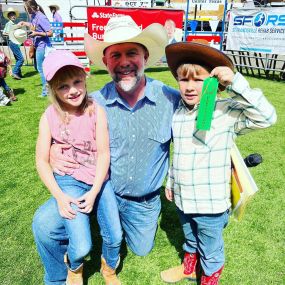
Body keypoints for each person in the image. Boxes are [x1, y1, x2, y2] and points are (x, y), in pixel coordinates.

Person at [32, 15, 180, 285]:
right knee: (44, 225)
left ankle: (105, 240)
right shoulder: (92, 104)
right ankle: (59, 275)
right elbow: (60, 128)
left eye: (131, 52)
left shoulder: (170, 99)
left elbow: (205, 122)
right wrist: (52, 153)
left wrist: (218, 82)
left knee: (141, 248)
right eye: (115, 55)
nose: (124, 62)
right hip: (96, 187)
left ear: (145, 57)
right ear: (106, 62)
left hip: (142, 202)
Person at [160, 42, 277, 285]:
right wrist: (171, 181)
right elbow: (178, 151)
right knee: (190, 237)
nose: (190, 87)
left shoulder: (225, 112)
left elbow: (267, 117)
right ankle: (189, 268)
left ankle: (209, 278)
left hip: (210, 204)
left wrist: (235, 82)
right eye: (183, 80)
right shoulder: (179, 113)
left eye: (198, 80)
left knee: (210, 248)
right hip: (183, 198)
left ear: (213, 82)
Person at [36, 49, 110, 285]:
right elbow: (41, 160)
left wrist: (96, 188)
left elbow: (103, 152)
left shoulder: (95, 109)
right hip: (70, 182)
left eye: (77, 82)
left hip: (97, 180)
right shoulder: (49, 116)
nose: (72, 90)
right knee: (73, 240)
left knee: (108, 235)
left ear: (85, 77)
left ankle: (101, 266)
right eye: (62, 86)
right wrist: (58, 196)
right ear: (52, 90)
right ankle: (63, 274)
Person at [19, 0, 52, 97]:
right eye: (26, 9)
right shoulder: (34, 16)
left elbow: (50, 33)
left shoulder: (41, 17)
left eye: (28, 9)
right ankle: (50, 88)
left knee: (41, 69)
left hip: (43, 46)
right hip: (38, 45)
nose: (27, 11)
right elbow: (34, 26)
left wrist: (36, 33)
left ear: (34, 7)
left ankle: (46, 92)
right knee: (42, 69)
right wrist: (25, 23)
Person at [3, 7, 24, 80]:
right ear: (8, 17)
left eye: (14, 15)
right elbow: (5, 33)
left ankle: (19, 74)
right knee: (21, 59)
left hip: (14, 42)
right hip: (13, 42)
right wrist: (11, 33)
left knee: (18, 59)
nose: (13, 16)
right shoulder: (9, 24)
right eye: (11, 15)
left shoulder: (11, 24)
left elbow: (5, 33)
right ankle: (15, 72)